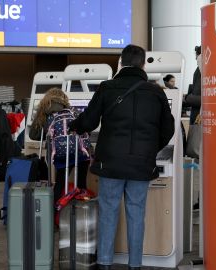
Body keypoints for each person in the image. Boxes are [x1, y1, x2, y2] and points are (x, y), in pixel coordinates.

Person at [69, 44, 175, 270]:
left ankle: (105, 263)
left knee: (108, 211)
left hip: (111, 163)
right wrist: (150, 149)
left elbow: (88, 122)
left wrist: (74, 125)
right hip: (141, 164)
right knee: (136, 213)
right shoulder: (156, 92)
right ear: (143, 64)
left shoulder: (107, 88)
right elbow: (169, 129)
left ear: (121, 62)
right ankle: (134, 265)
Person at [28, 88, 90, 207]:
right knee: (82, 186)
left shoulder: (44, 112)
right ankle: (79, 216)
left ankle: (53, 213)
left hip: (60, 153)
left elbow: (33, 135)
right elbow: (87, 129)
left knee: (60, 183)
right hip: (80, 152)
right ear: (64, 99)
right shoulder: (73, 111)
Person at [185, 46, 202, 125]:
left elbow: (204, 100)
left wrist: (186, 98)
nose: (196, 59)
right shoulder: (198, 71)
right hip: (197, 116)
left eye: (197, 56)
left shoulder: (200, 71)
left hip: (199, 118)